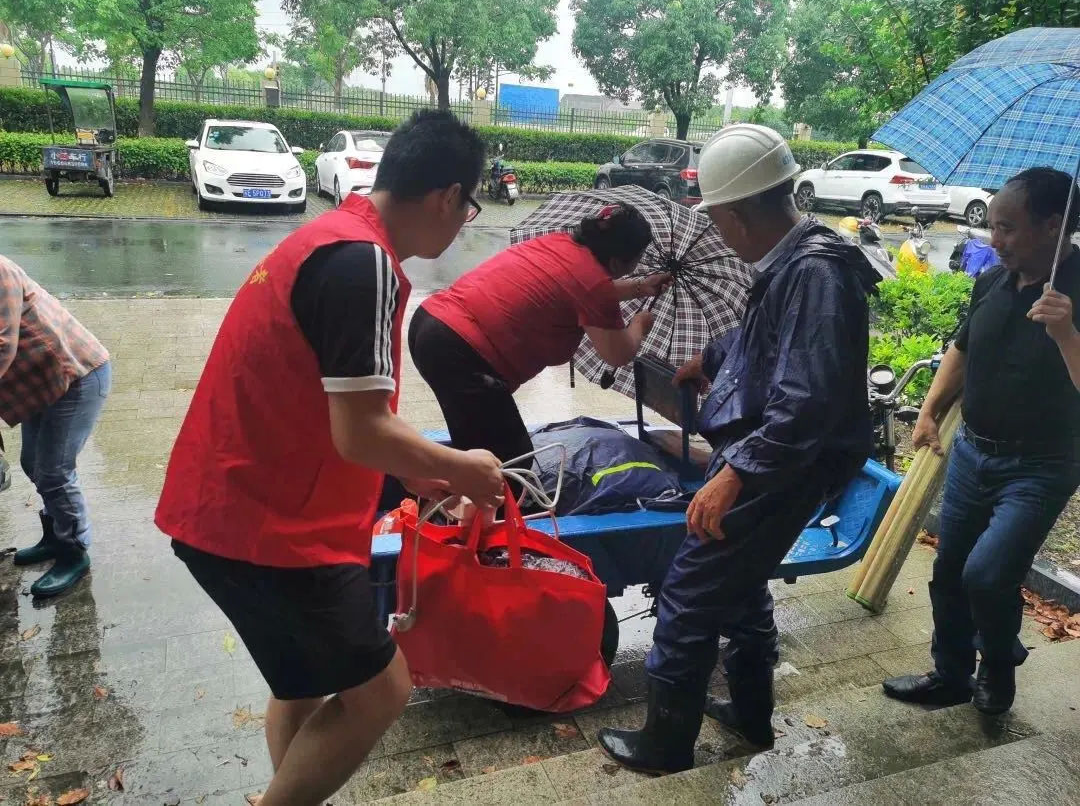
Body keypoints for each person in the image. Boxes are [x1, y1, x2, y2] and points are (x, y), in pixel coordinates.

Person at [154, 110, 505, 806]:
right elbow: (361, 431)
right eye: (470, 207)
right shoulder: (362, 263)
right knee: (381, 692)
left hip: (229, 510)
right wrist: (468, 467)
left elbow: (343, 411)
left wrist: (417, 472)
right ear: (446, 197)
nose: (465, 222)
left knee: (303, 683)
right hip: (269, 529)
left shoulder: (333, 239)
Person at [597, 125, 880, 774]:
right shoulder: (793, 258)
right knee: (743, 585)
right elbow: (773, 345)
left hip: (777, 464)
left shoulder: (813, 273)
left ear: (735, 212)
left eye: (717, 216)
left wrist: (736, 478)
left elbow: (805, 401)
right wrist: (711, 357)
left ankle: (666, 745)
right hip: (770, 456)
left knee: (691, 592)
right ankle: (751, 714)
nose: (717, 230)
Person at [883, 167, 1080, 716]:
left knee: (988, 573)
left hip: (1042, 465)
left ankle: (996, 661)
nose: (994, 239)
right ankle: (950, 674)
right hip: (974, 451)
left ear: (1051, 225)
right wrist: (928, 411)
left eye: (1008, 228)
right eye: (993, 225)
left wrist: (1066, 331)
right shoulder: (992, 280)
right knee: (950, 572)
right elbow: (962, 351)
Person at [409, 203, 669, 466]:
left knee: (478, 454)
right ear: (616, 261)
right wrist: (639, 324)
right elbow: (617, 353)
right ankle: (450, 502)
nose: (635, 269)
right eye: (635, 262)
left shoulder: (560, 243)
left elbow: (579, 288)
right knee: (510, 468)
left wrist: (639, 288)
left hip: (431, 324)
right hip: (462, 353)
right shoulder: (593, 285)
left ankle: (453, 501)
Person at [0, 255, 111, 598]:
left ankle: (73, 552)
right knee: (33, 463)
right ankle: (54, 535)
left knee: (54, 471)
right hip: (40, 382)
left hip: (75, 374)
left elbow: (3, 343)